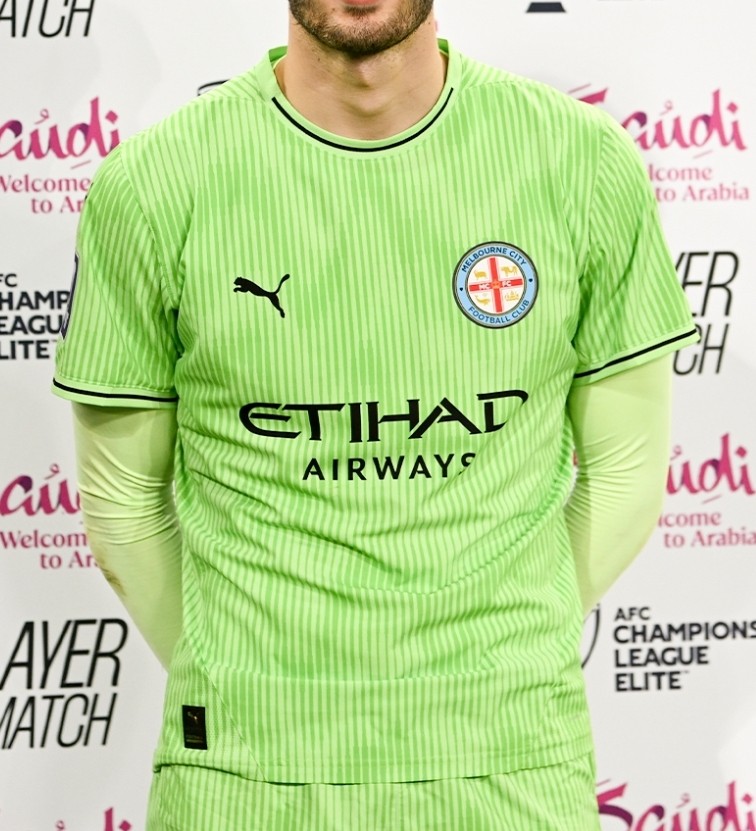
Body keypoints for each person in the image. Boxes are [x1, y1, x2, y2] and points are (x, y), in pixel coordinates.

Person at [52, 1, 698, 828]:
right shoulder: (155, 183)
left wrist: (502, 647)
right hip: (244, 773)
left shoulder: (581, 161)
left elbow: (627, 471)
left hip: (512, 760)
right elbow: (123, 502)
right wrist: (246, 678)